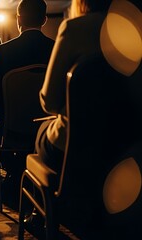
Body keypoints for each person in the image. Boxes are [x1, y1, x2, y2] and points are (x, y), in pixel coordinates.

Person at [35, 0, 113, 174]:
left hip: (77, 142)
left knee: (41, 130)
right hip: (129, 144)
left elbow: (50, 102)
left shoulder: (75, 28)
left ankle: (55, 193)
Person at [0, 0, 55, 140]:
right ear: (44, 20)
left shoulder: (2, 51)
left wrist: (9, 109)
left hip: (9, 125)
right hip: (47, 124)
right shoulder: (56, 49)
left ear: (18, 19)